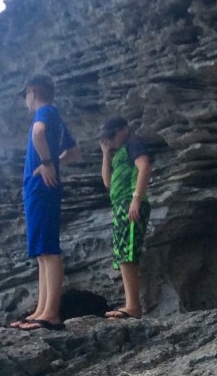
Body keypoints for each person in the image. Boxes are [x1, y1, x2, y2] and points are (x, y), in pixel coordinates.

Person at [10, 73, 82, 332]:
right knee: (42, 251)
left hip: (41, 188)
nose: (25, 101)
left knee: (48, 251)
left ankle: (50, 313)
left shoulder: (46, 113)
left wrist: (48, 164)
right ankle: (41, 310)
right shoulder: (55, 116)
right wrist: (53, 164)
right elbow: (75, 152)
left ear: (32, 91)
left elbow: (38, 133)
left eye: (25, 96)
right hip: (40, 188)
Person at [98, 115, 151, 319]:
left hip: (131, 203)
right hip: (120, 205)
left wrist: (136, 198)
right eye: (106, 138)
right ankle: (130, 304)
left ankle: (133, 307)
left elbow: (144, 166)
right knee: (122, 254)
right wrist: (105, 154)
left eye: (111, 135)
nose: (110, 140)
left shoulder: (133, 143)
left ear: (124, 129)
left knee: (128, 253)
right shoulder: (118, 152)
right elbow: (107, 182)